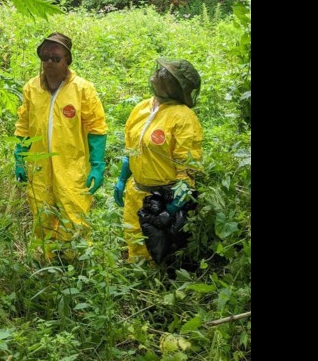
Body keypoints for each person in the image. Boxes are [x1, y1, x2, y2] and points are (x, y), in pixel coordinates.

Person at [14, 33, 108, 259]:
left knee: (73, 214)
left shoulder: (82, 89)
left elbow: (96, 127)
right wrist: (20, 156)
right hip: (39, 168)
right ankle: (45, 261)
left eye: (56, 58)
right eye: (45, 57)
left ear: (67, 60)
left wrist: (97, 164)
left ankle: (73, 263)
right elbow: (24, 125)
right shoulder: (31, 88)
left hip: (71, 167)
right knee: (41, 214)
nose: (49, 62)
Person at [113, 58, 203, 265]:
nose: (157, 76)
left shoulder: (183, 118)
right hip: (136, 189)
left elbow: (188, 169)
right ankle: (135, 268)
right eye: (160, 72)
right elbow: (132, 149)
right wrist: (121, 178)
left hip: (162, 197)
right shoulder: (143, 108)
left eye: (165, 76)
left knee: (160, 250)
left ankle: (156, 282)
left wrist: (171, 208)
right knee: (134, 236)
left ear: (175, 87)